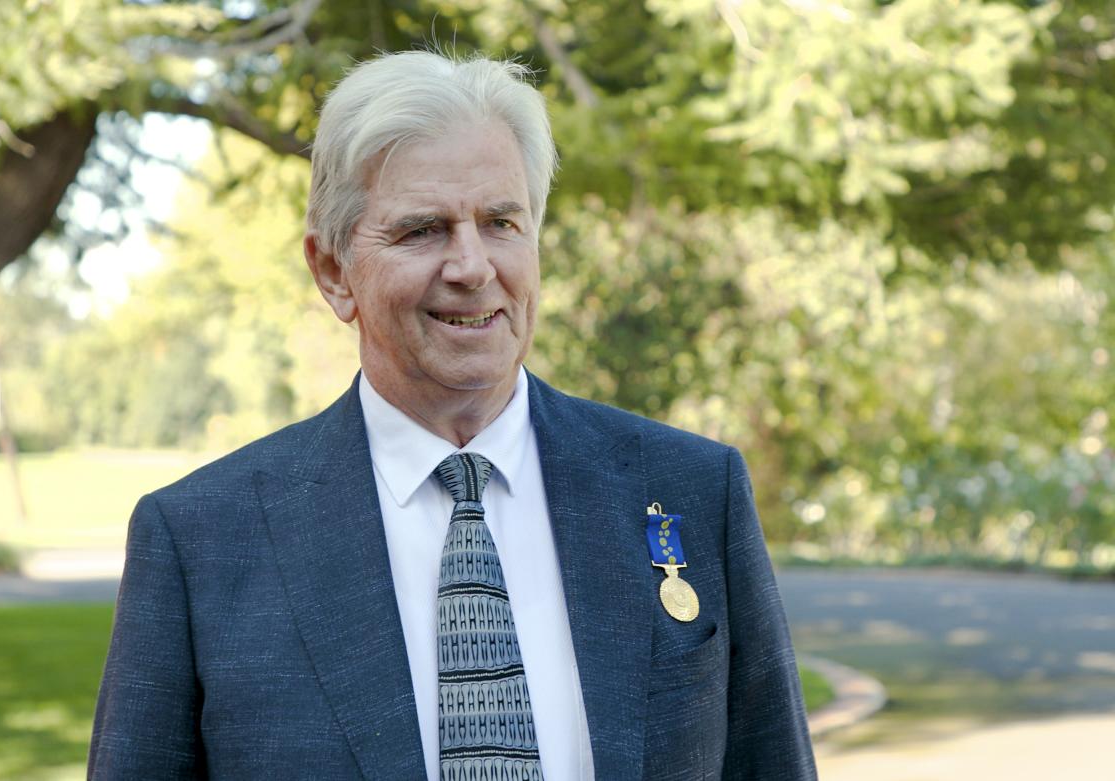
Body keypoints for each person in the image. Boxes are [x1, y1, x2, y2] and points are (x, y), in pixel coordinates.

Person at [88, 50, 817, 781]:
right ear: (334, 271)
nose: (472, 266)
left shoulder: (692, 489)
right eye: (422, 230)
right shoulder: (202, 542)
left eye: (501, 222)